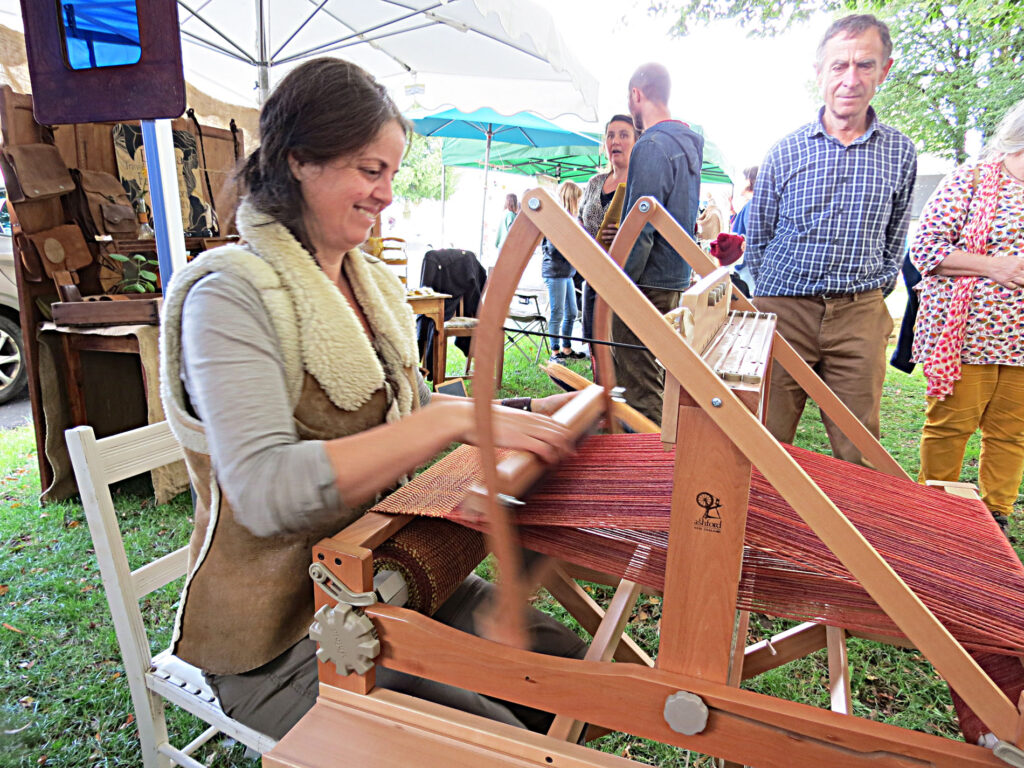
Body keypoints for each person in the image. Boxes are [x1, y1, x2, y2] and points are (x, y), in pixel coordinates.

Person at [158, 57, 586, 740]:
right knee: (495, 739)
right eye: (369, 169)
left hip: (384, 579)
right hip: (283, 637)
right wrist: (447, 423)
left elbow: (411, 406)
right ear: (300, 159)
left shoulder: (369, 285)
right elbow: (263, 492)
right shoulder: (230, 295)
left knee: (568, 673)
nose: (386, 192)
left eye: (390, 172)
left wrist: (525, 417)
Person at [746, 14, 917, 466]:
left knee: (858, 447)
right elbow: (758, 235)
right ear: (819, 73)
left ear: (885, 70)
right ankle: (755, 532)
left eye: (865, 65)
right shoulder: (786, 150)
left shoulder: (900, 151)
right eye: (839, 66)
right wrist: (776, 300)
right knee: (764, 435)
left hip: (858, 314)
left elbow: (896, 235)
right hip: (784, 310)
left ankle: (850, 535)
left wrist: (870, 294)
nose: (851, 78)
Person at [910, 97, 1024, 531]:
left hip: (1021, 340)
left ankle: (995, 517)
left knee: (1012, 432)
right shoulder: (971, 180)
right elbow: (926, 250)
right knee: (950, 426)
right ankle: (935, 510)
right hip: (968, 334)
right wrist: (995, 266)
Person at [614, 62, 704, 424]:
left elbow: (640, 228)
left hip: (646, 282)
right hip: (671, 278)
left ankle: (643, 466)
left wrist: (618, 285)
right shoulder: (687, 143)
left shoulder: (651, 145)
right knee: (654, 376)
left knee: (639, 386)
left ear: (637, 95)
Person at [578, 114, 638, 345]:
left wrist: (624, 234)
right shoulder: (595, 182)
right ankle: (598, 381)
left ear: (636, 142)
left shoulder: (639, 183)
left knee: (616, 347)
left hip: (625, 279)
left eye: (624, 135)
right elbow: (579, 219)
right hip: (593, 275)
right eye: (611, 135)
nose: (615, 141)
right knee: (594, 343)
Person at [541, 182, 585, 360]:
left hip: (567, 273)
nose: (580, 203)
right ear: (571, 199)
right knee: (557, 312)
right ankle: (555, 351)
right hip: (555, 272)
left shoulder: (571, 219)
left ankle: (567, 348)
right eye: (578, 199)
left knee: (572, 312)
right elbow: (553, 248)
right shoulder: (556, 218)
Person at [731, 166, 758, 293]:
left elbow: (753, 237)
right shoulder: (754, 204)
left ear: (750, 180)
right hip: (748, 266)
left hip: (746, 266)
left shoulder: (752, 204)